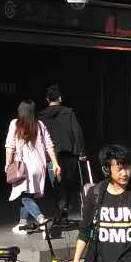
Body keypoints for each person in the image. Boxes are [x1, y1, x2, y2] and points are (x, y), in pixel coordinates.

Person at [4, 100, 62, 237]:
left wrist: (7, 163)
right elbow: (49, 146)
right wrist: (55, 163)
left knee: (25, 197)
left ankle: (42, 221)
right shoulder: (40, 125)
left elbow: (10, 146)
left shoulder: (15, 123)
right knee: (26, 194)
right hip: (39, 167)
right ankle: (22, 224)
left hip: (24, 167)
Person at [38, 85, 87, 217]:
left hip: (51, 155)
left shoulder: (41, 116)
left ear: (47, 99)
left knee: (56, 182)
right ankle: (65, 206)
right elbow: (77, 132)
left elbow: (39, 137)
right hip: (69, 153)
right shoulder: (69, 112)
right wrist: (81, 152)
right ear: (60, 98)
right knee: (69, 181)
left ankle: (61, 206)